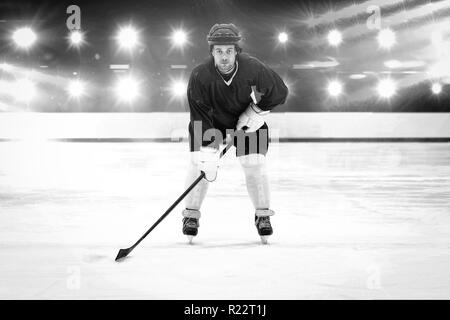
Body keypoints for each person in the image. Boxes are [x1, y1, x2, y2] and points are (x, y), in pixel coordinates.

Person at [182, 23, 288, 243]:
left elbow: (279, 91)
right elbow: (199, 113)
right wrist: (208, 151)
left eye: (229, 51)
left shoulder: (252, 67)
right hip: (211, 122)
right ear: (211, 52)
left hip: (246, 121)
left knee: (255, 163)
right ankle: (190, 216)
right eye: (219, 51)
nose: (224, 57)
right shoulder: (200, 75)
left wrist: (256, 112)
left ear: (236, 51)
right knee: (200, 163)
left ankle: (263, 216)